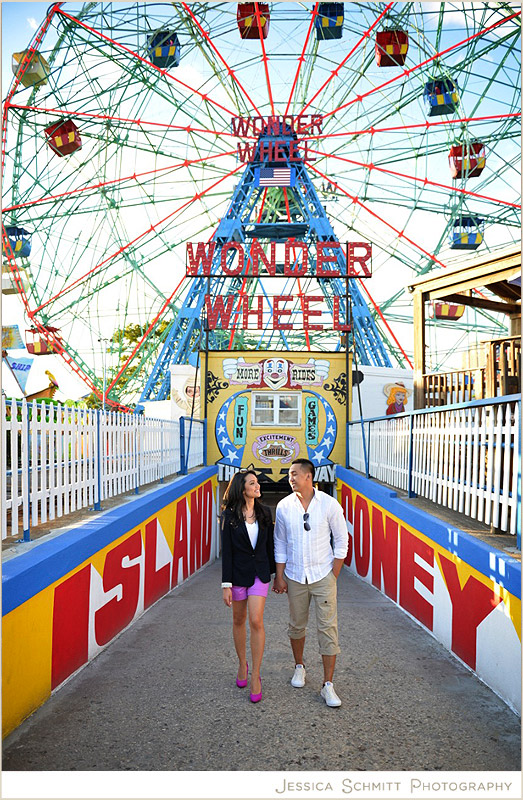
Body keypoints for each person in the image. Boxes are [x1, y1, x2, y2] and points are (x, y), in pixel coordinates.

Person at [272, 458, 348, 708]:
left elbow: (341, 542)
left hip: (323, 575)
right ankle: (299, 667)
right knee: (296, 626)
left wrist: (333, 575)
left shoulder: (329, 504)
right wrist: (279, 575)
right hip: (294, 576)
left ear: (308, 476)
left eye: (294, 474)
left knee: (328, 629)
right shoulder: (283, 507)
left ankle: (328, 685)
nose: (290, 478)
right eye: (289, 474)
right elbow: (280, 543)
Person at [221, 470, 275, 703]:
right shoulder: (229, 516)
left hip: (259, 575)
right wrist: (226, 584)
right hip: (237, 576)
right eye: (252, 483)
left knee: (256, 620)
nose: (257, 486)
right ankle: (242, 664)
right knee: (238, 620)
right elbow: (227, 553)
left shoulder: (264, 512)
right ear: (242, 489)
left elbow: (270, 546)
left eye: (257, 482)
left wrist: (277, 575)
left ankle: (256, 675)